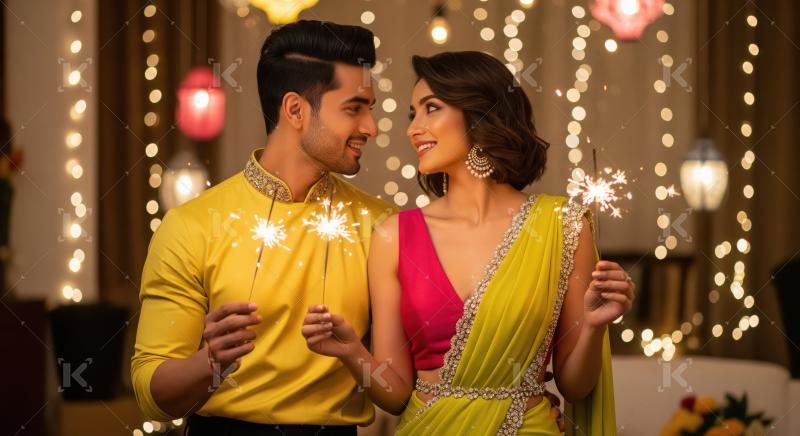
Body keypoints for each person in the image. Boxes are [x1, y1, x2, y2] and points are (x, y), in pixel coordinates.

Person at [302, 51, 635, 435]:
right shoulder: (394, 236)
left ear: (480, 115)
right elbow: (393, 394)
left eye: (431, 108)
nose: (414, 129)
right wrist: (352, 353)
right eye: (413, 114)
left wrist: (594, 326)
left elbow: (575, 386)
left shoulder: (563, 226)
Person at [131, 20, 396, 435]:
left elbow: (395, 390)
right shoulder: (191, 226)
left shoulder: (381, 225)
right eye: (354, 108)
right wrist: (210, 362)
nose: (370, 127)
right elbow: (152, 396)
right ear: (295, 110)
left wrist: (355, 355)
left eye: (370, 108)